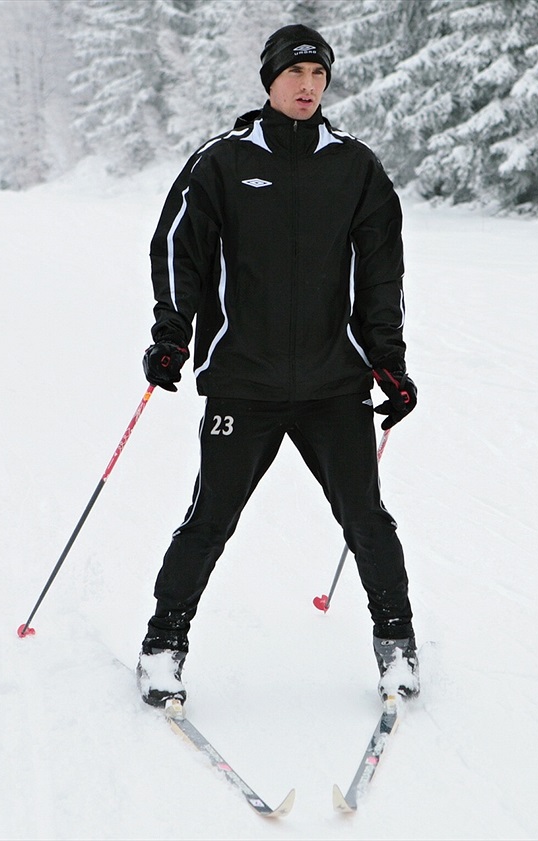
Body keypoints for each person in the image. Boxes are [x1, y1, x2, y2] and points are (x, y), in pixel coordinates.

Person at [137, 24, 419, 708]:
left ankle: (398, 646)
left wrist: (387, 359)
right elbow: (178, 249)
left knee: (367, 518)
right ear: (269, 80)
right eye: (295, 73)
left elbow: (381, 271)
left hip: (334, 383)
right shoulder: (222, 161)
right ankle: (162, 647)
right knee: (210, 518)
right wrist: (172, 334)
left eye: (319, 75)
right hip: (244, 380)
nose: (308, 86)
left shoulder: (355, 166)